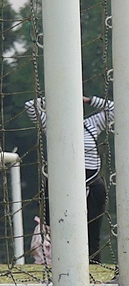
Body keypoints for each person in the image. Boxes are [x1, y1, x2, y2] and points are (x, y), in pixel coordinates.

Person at [25, 95, 113, 262]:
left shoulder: (91, 124)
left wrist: (87, 99)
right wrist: (56, 95)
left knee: (92, 231)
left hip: (91, 183)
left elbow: (115, 109)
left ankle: (92, 264)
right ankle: (57, 263)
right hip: (60, 183)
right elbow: (31, 105)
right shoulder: (52, 124)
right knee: (55, 229)